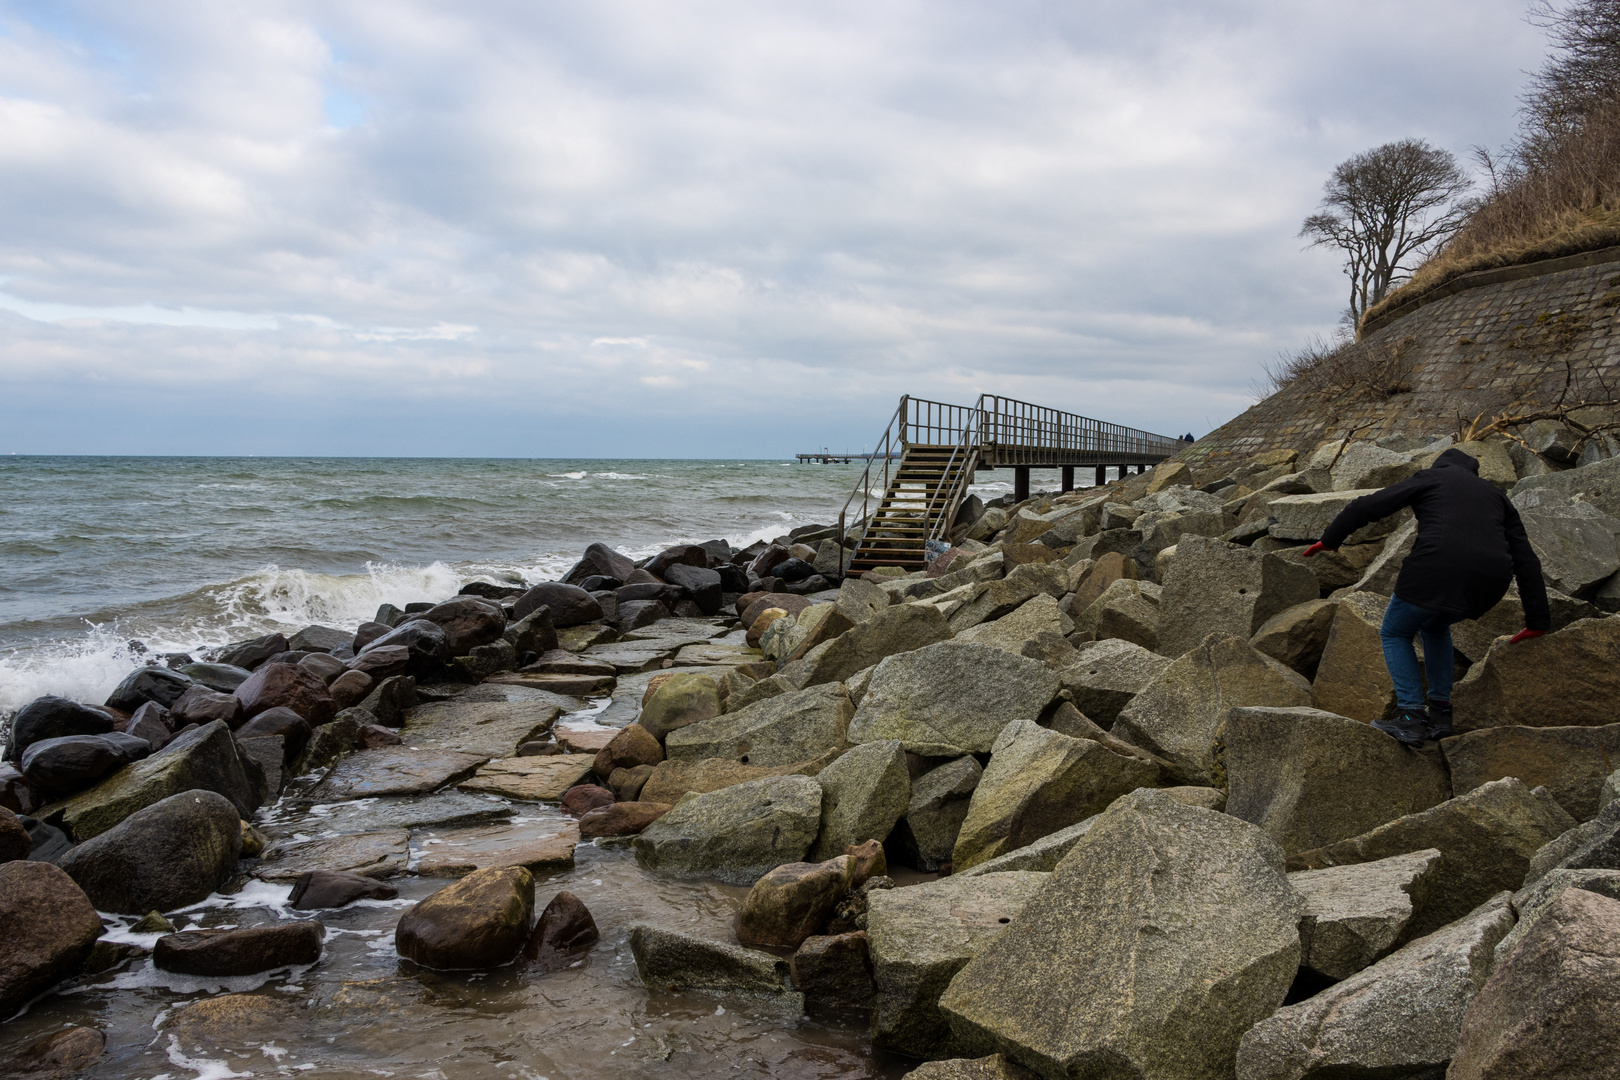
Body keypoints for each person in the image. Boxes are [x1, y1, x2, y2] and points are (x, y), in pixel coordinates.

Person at [1303, 447, 1550, 745]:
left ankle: (1411, 716)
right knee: (1434, 626)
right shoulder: (1497, 496)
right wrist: (1538, 619)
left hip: (1434, 567)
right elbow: (1526, 559)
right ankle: (1441, 715)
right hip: (1489, 583)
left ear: (1441, 464)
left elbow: (1366, 506)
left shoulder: (1432, 478)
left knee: (1395, 632)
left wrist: (1330, 540)